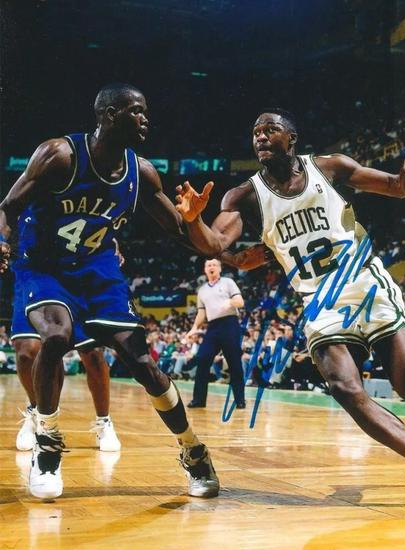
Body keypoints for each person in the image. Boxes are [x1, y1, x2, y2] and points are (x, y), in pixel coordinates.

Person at [175, 108, 405, 513]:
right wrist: (194, 220)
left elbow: (398, 185)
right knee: (345, 388)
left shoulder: (329, 167)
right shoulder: (243, 196)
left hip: (365, 284)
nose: (260, 136)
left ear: (291, 139)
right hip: (319, 303)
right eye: (256, 131)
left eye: (270, 129)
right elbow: (214, 244)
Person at [0, 83, 265, 500]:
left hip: (98, 267)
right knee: (55, 335)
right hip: (44, 265)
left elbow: (179, 231)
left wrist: (219, 247)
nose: (145, 119)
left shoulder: (141, 172)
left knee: (141, 361)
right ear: (109, 114)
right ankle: (47, 445)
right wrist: (3, 241)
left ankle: (193, 449)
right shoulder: (59, 155)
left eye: (145, 112)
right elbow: (9, 207)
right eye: (135, 111)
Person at [12, 233, 125, 452]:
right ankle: (37, 412)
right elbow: (6, 218)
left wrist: (111, 242)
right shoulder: (22, 209)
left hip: (76, 270)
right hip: (33, 269)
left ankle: (104, 421)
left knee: (92, 352)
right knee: (26, 352)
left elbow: (101, 219)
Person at [186, 258, 246, 409]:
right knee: (202, 358)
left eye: (214, 265)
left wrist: (230, 302)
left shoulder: (228, 282)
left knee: (234, 362)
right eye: (208, 265)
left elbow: (240, 302)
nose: (211, 267)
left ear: (219, 268)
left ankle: (240, 400)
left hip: (230, 324)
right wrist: (194, 328)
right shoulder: (202, 290)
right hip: (212, 326)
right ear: (205, 270)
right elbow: (201, 313)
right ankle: (199, 400)